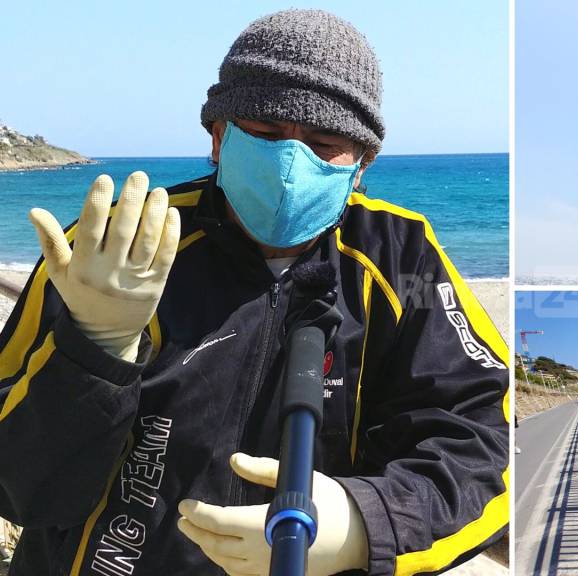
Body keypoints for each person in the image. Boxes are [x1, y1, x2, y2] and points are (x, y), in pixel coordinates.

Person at [0, 9, 509, 576]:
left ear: (361, 164)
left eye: (323, 143)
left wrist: (368, 522)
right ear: (218, 136)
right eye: (266, 134)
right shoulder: (115, 248)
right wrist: (92, 351)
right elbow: (18, 484)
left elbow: (485, 441)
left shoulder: (399, 255)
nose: (291, 165)